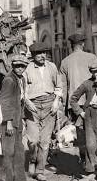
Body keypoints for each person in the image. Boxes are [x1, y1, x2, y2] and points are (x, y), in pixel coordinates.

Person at [24, 42, 62, 181]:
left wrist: (56, 101)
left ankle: (40, 170)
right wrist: (27, 101)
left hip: (49, 105)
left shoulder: (52, 67)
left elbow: (58, 86)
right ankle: (32, 160)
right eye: (38, 54)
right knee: (33, 140)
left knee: (45, 141)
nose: (41, 56)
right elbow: (23, 90)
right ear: (33, 55)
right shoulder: (27, 69)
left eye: (43, 53)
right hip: (32, 106)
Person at [59, 34, 97, 163]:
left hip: (74, 103)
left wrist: (65, 107)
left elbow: (63, 87)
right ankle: (92, 160)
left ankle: (84, 159)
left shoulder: (65, 62)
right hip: (91, 101)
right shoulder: (91, 58)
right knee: (92, 131)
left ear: (71, 46)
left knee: (80, 132)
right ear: (83, 44)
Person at [0, 55, 29, 181]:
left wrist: (22, 118)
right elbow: (4, 102)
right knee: (8, 152)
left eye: (22, 66)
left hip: (17, 121)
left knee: (19, 152)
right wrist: (8, 122)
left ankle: (20, 178)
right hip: (9, 122)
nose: (20, 68)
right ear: (13, 66)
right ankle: (9, 178)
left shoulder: (21, 79)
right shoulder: (9, 80)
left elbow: (20, 101)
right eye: (17, 66)